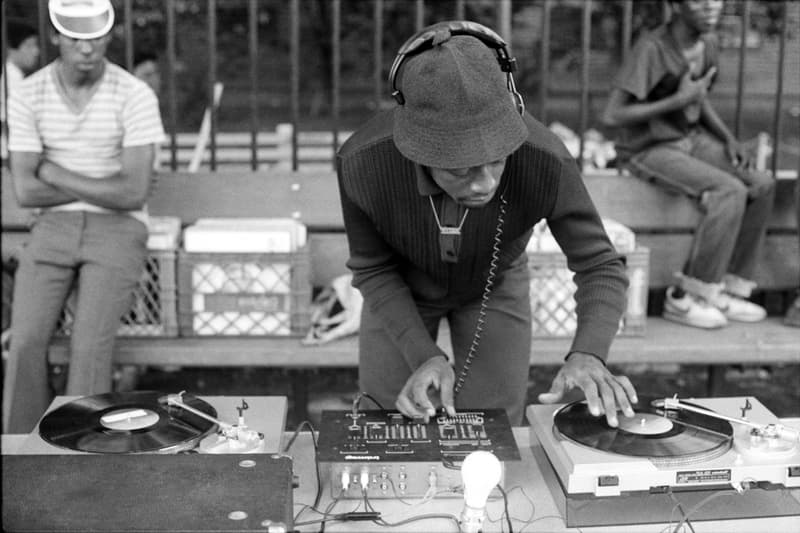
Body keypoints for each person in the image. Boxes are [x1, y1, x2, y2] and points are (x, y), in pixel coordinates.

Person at [335, 20, 638, 427]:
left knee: (492, 430)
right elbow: (372, 268)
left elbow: (599, 264)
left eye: (496, 159)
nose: (485, 184)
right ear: (418, 149)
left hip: (496, 284)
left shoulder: (544, 157)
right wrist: (424, 355)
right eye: (460, 169)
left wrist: (589, 352)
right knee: (389, 423)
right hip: (398, 288)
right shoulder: (363, 162)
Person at [3, 0, 165, 433]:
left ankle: (81, 450)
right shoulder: (27, 93)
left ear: (109, 35)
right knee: (24, 343)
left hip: (119, 229)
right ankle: (21, 449)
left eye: (95, 36)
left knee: (89, 346)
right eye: (75, 36)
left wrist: (53, 170)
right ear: (56, 36)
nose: (86, 47)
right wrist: (102, 185)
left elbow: (132, 192)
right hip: (52, 229)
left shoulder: (134, 94)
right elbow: (24, 189)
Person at [601, 0, 776, 329]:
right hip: (648, 147)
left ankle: (728, 289)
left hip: (691, 141)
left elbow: (697, 96)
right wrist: (675, 101)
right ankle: (686, 297)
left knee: (761, 183)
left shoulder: (707, 43)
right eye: (699, 1)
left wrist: (728, 140)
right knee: (728, 190)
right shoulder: (652, 48)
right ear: (675, 6)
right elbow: (612, 114)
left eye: (716, 0)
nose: (712, 7)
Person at [1, 18, 40, 160]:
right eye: (29, 45)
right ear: (12, 48)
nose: (36, 52)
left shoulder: (15, 77)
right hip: (9, 156)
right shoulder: (10, 79)